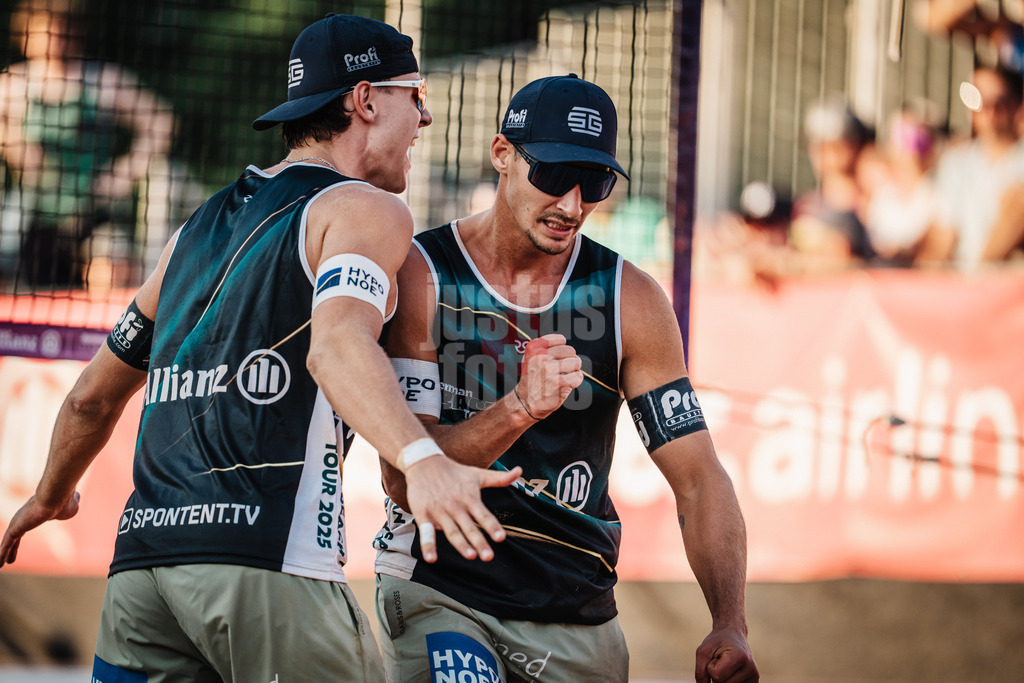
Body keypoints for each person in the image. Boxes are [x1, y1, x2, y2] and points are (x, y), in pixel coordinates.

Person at [0, 13, 520, 682]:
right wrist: (422, 459)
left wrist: (49, 494)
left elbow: (90, 399)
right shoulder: (363, 209)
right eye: (414, 95)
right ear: (365, 100)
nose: (424, 118)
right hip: (268, 565)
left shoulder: (194, 228)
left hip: (142, 572)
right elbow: (333, 349)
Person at [373, 74, 758, 683]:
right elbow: (402, 478)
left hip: (577, 607)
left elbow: (700, 479)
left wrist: (730, 621)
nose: (573, 205)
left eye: (595, 183)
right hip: (444, 588)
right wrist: (520, 407)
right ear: (502, 155)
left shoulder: (630, 298)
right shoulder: (424, 272)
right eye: (554, 176)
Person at [0, 0, 175, 289]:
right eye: (43, 32)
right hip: (31, 215)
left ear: (73, 32)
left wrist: (124, 173)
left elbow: (161, 121)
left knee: (112, 271)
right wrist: (12, 143)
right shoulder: (14, 84)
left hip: (92, 213)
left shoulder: (101, 80)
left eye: (59, 31)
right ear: (25, 34)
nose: (51, 41)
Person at [921, 64, 1024, 268]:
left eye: (999, 101)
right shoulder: (956, 163)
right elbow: (943, 236)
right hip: (965, 284)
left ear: (1016, 104)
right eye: (977, 100)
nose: (988, 110)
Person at [790, 97, 878, 269]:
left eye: (834, 144)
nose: (823, 152)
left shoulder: (875, 202)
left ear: (855, 145)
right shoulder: (807, 207)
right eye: (817, 144)